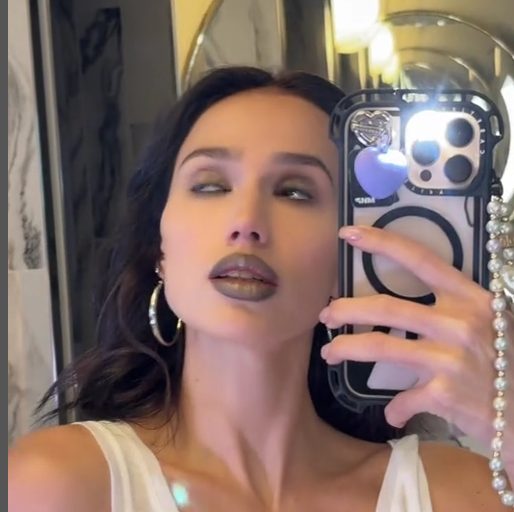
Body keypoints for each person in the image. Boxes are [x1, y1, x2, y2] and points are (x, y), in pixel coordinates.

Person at [8, 66, 514, 512]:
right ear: (158, 248)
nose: (246, 222)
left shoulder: (455, 493)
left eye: (294, 191)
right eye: (210, 185)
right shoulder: (56, 485)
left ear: (350, 258)